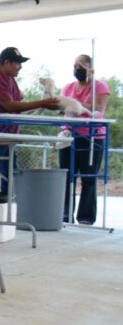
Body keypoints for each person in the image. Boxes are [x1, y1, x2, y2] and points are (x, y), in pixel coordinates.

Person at [0, 47, 59, 195]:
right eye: (17, 63)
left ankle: (7, 204)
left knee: (10, 175)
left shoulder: (10, 79)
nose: (20, 67)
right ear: (7, 62)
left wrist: (43, 103)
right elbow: (10, 105)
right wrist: (41, 103)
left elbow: (18, 101)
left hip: (6, 135)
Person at [56, 54, 111, 224]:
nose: (76, 70)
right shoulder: (68, 87)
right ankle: (65, 214)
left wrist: (76, 106)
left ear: (90, 69)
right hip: (69, 134)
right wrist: (71, 106)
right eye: (75, 66)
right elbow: (61, 106)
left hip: (92, 136)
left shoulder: (99, 87)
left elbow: (99, 108)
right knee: (66, 176)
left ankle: (86, 217)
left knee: (88, 178)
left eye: (80, 66)